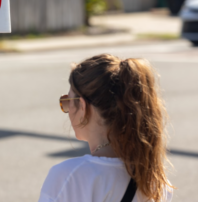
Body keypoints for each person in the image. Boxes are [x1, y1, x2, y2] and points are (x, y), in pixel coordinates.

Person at [39, 54, 174, 202]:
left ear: (83, 107)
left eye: (67, 101)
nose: (66, 109)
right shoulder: (156, 182)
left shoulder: (70, 177)